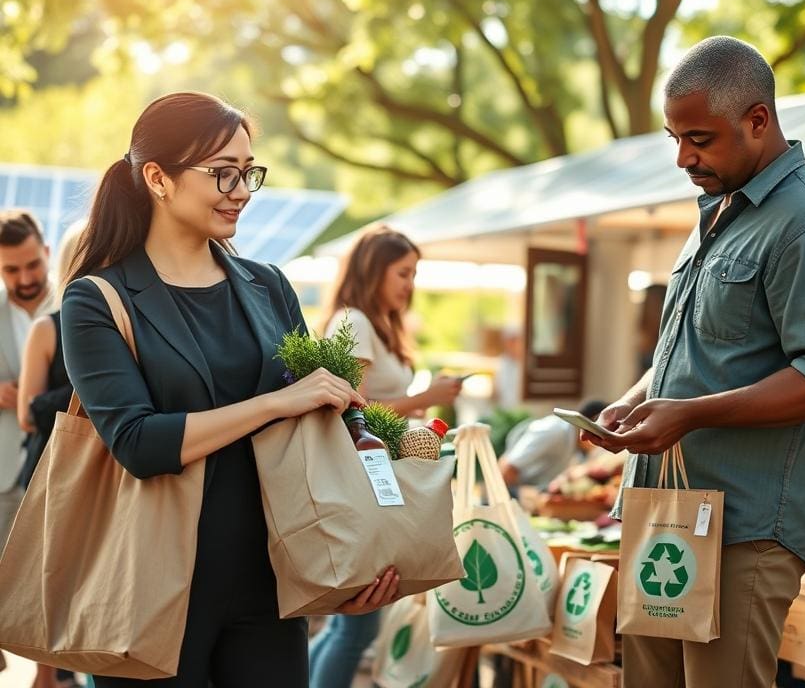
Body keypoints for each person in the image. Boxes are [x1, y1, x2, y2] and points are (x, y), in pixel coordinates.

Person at [60, 91, 395, 688]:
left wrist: (347, 565)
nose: (241, 190)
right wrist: (278, 400)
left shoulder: (269, 287)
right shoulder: (96, 299)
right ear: (158, 179)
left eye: (248, 172)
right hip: (151, 587)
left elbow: (324, 430)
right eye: (222, 173)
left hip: (269, 583)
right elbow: (138, 442)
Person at [585, 37, 805, 688]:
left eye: (699, 137)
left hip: (744, 530)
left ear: (757, 120)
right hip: (667, 517)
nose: (682, 157)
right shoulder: (718, 212)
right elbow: (699, 348)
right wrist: (639, 399)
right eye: (673, 137)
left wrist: (687, 415)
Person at [308, 225, 462, 688]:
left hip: (380, 478)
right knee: (358, 626)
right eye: (402, 272)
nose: (409, 284)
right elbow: (349, 410)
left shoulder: (375, 325)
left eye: (413, 274)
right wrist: (424, 398)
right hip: (364, 484)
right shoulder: (353, 322)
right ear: (374, 271)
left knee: (348, 623)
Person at [17, 221, 85, 688]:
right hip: (52, 468)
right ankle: (47, 677)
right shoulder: (48, 328)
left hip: (89, 467)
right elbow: (27, 415)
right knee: (53, 581)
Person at [0, 210, 56, 549]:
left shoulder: (75, 306)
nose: (24, 279)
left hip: (55, 469)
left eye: (33, 265)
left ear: (47, 253)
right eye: (11, 270)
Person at [498, 399, 607, 492]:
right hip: (509, 492)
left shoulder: (575, 445)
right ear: (589, 426)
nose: (601, 445)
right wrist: (520, 495)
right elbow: (507, 467)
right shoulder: (555, 430)